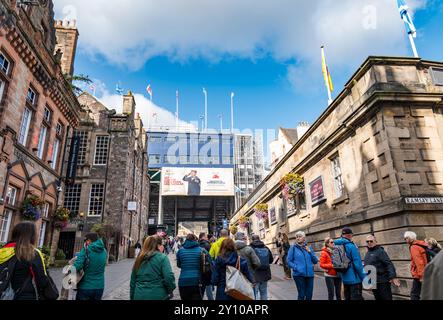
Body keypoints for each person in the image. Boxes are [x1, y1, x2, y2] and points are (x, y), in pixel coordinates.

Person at [0, 222, 53, 300]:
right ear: (31, 236)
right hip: (25, 295)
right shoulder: (32, 253)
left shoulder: (2, 251)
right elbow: (42, 281)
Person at [130, 236, 176, 300]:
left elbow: (133, 281)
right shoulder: (162, 258)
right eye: (161, 244)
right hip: (158, 295)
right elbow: (168, 277)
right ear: (157, 245)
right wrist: (170, 289)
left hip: (139, 295)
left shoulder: (139, 259)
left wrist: (132, 296)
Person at [363, 235, 400, 300]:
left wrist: (393, 277)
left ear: (375, 242)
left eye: (371, 241)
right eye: (367, 241)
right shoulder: (368, 253)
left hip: (383, 282)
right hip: (374, 282)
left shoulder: (380, 251)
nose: (369, 242)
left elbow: (388, 264)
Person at [334, 227, 367, 301]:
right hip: (355, 279)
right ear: (349, 235)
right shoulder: (351, 246)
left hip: (345, 279)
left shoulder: (336, 246)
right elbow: (358, 264)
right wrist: (364, 278)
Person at [74, 232, 107, 301]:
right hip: (99, 287)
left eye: (86, 241)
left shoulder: (86, 250)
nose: (86, 243)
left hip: (85, 286)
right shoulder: (104, 251)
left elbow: (77, 266)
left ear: (89, 240)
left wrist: (69, 266)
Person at [177, 234, 211, 300]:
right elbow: (209, 265)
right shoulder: (202, 250)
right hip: (198, 281)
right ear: (196, 240)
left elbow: (179, 265)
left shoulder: (180, 251)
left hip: (183, 281)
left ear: (186, 240)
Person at [287, 231, 319, 300]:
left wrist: (309, 252)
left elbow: (315, 260)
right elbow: (289, 261)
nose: (298, 238)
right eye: (297, 237)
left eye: (300, 236)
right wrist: (296, 268)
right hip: (299, 275)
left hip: (310, 275)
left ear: (304, 238)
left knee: (309, 295)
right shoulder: (293, 248)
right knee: (301, 295)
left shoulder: (309, 247)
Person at [404, 231, 428, 300]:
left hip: (419, 275)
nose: (405, 240)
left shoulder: (414, 247)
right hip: (428, 272)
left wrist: (421, 276)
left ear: (410, 238)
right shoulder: (422, 244)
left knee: (414, 294)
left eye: (406, 238)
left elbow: (419, 263)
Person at [250, 235, 273, 300]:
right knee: (264, 292)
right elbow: (271, 260)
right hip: (265, 274)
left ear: (252, 240)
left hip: (255, 275)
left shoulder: (250, 248)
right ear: (259, 239)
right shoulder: (266, 247)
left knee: (255, 293)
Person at [199, 232, 214, 300]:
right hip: (207, 270)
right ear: (204, 237)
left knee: (201, 289)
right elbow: (210, 257)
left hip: (199, 270)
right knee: (208, 288)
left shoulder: (197, 245)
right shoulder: (208, 245)